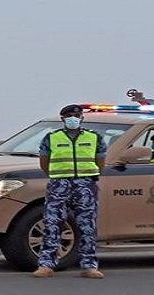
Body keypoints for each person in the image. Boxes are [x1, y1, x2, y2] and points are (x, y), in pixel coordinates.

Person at [33, 104, 106, 279]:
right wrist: (56, 176)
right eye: (69, 116)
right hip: (59, 183)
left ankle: (89, 265)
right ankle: (46, 265)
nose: (74, 118)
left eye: (77, 115)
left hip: (85, 185)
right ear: (62, 118)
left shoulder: (94, 137)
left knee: (87, 225)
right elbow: (44, 162)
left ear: (82, 117)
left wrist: (90, 177)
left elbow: (100, 162)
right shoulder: (51, 138)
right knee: (52, 223)